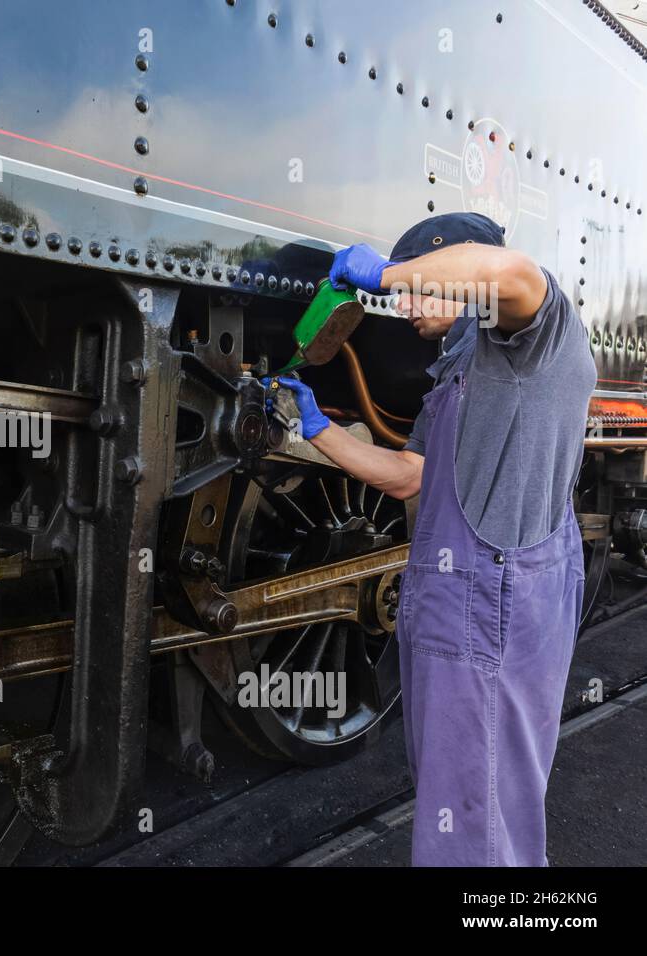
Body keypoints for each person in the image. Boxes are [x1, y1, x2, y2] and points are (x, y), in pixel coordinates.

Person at [267, 212, 596, 865]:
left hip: (492, 604)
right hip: (453, 606)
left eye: (416, 285)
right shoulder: (456, 369)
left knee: (480, 816)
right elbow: (408, 476)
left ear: (461, 268)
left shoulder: (536, 332)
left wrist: (384, 272)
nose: (402, 306)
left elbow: (507, 271)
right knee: (460, 793)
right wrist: (313, 429)